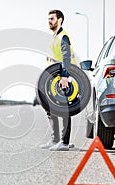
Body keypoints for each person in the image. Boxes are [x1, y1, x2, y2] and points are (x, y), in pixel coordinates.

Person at [40, 9, 75, 151]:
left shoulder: (63, 37)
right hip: (52, 78)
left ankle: (64, 142)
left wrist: (65, 76)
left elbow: (66, 58)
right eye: (48, 19)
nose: (49, 21)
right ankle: (55, 139)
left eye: (52, 19)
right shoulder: (53, 37)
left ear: (60, 20)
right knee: (50, 108)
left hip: (62, 78)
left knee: (64, 109)